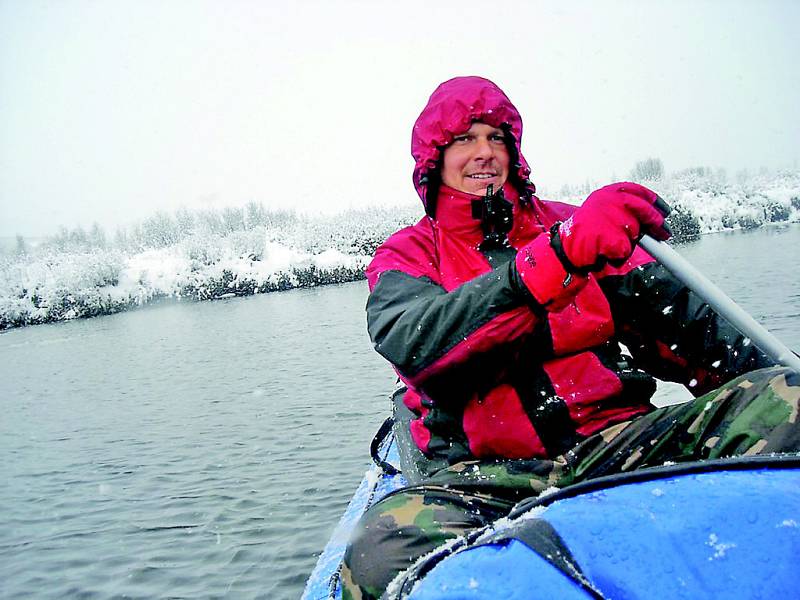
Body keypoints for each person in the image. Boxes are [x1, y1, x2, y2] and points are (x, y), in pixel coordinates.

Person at [340, 76, 799, 599]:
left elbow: (692, 330)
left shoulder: (576, 225)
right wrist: (553, 261)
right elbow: (417, 346)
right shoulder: (407, 255)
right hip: (486, 477)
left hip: (618, 445)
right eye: (465, 139)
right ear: (433, 159)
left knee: (787, 400)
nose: (484, 153)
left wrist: (769, 375)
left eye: (497, 137)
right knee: (380, 549)